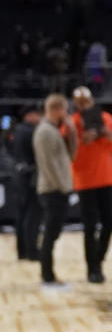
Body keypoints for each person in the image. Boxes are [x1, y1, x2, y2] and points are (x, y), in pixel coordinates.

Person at [70, 85, 112, 283]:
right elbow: (70, 154)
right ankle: (92, 269)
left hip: (107, 179)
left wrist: (109, 136)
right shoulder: (73, 123)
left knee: (110, 222)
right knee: (90, 226)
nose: (84, 105)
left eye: (86, 102)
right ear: (75, 104)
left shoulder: (106, 119)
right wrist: (83, 141)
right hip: (84, 181)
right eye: (80, 103)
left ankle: (98, 259)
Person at [32, 93, 77, 286]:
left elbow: (71, 156)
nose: (66, 113)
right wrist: (62, 187)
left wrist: (72, 130)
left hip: (57, 189)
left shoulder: (53, 130)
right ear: (57, 109)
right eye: (65, 109)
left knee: (53, 233)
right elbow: (48, 165)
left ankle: (48, 274)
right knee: (50, 234)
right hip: (52, 190)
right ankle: (47, 275)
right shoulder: (44, 132)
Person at [12, 104, 42, 260]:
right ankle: (32, 251)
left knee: (22, 214)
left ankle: (22, 251)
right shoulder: (32, 131)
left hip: (19, 176)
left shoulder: (17, 130)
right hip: (31, 178)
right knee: (33, 215)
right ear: (29, 115)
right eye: (37, 114)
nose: (40, 118)